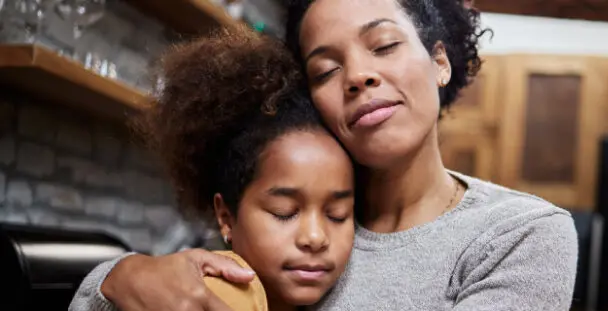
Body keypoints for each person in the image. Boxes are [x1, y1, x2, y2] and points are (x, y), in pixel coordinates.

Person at [69, 1, 579, 310]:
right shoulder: (289, 215)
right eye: (325, 69)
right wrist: (121, 276)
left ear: (440, 62)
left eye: (382, 46)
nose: (358, 75)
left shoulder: (520, 235)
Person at [68, 26, 356, 311]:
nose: (316, 238)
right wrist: (118, 276)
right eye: (284, 212)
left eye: (337, 215)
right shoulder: (183, 298)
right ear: (226, 217)